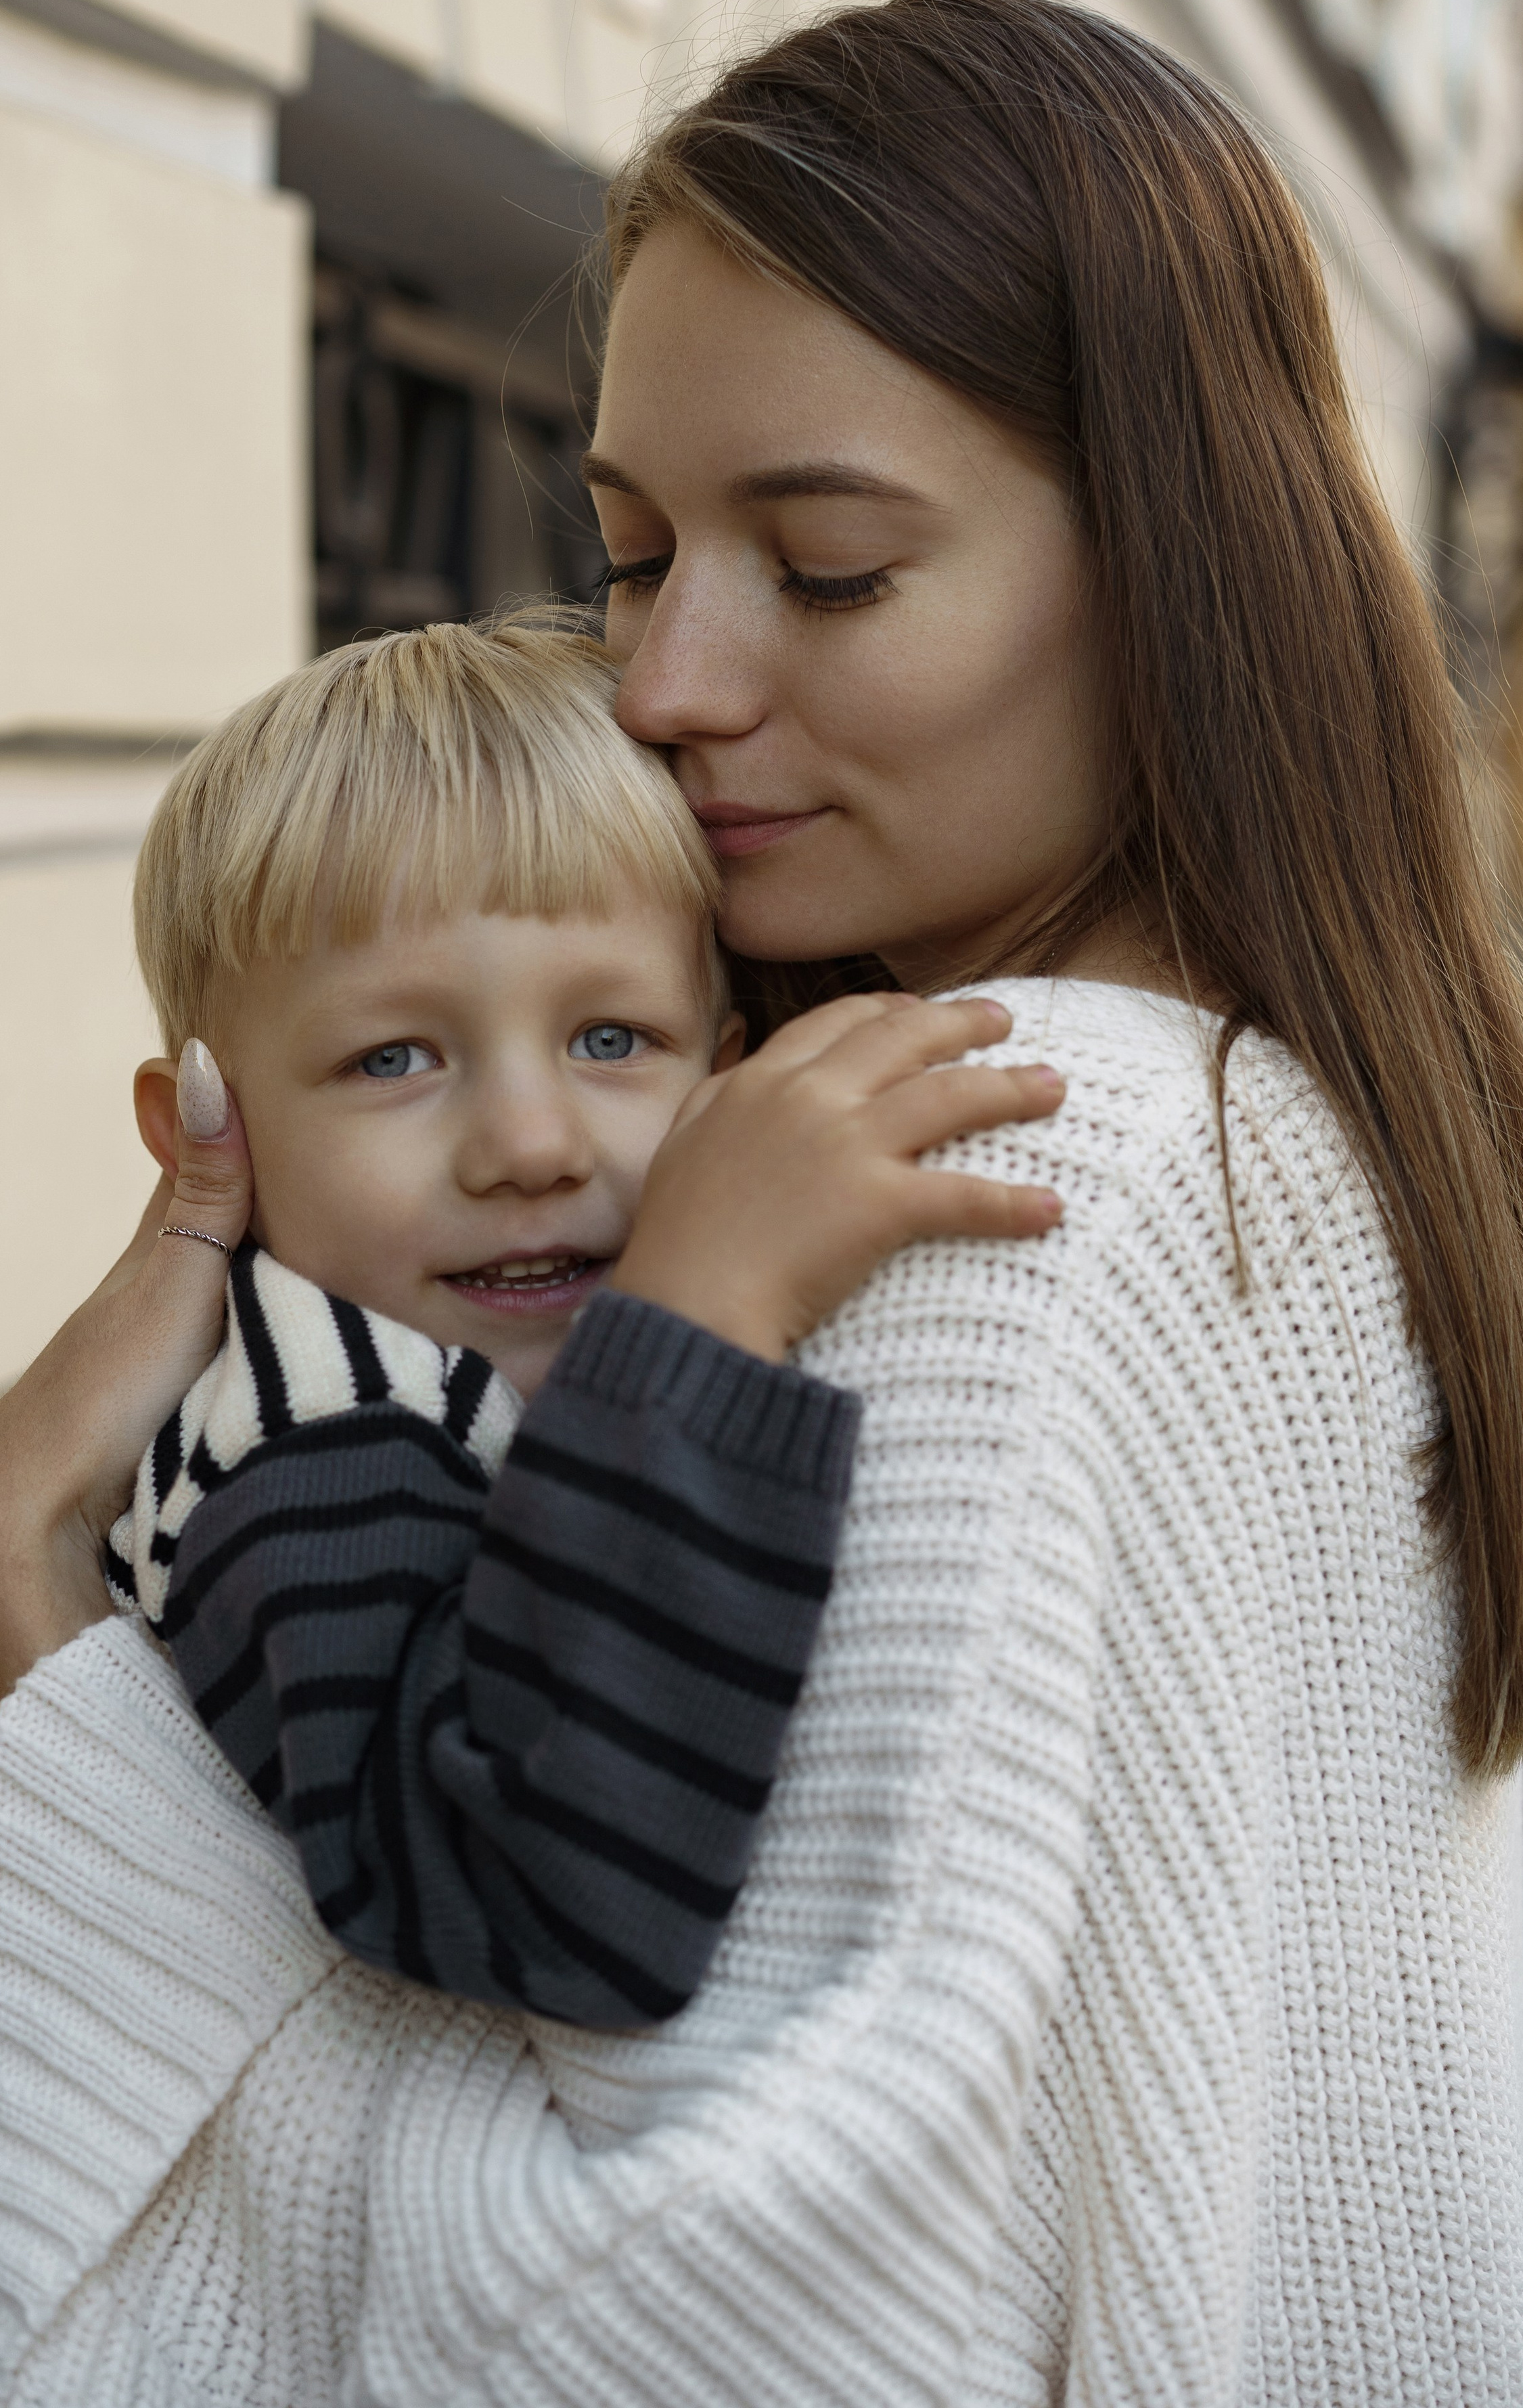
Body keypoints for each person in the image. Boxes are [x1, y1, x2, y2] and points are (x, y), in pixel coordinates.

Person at [0, 0, 1523, 2407]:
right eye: (625, 557)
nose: (669, 682)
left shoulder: (987, 1191)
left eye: (822, 572)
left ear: (1170, 566)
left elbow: (658, 2315)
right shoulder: (1308, 1134)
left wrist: (46, 1646)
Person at [106, 613, 1058, 2024]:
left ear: (725, 1073)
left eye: (610, 1040)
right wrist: (701, 1315)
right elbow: (553, 1915)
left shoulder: (434, 1382)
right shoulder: (322, 1436)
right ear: (207, 1130)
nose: (530, 1144)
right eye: (392, 1057)